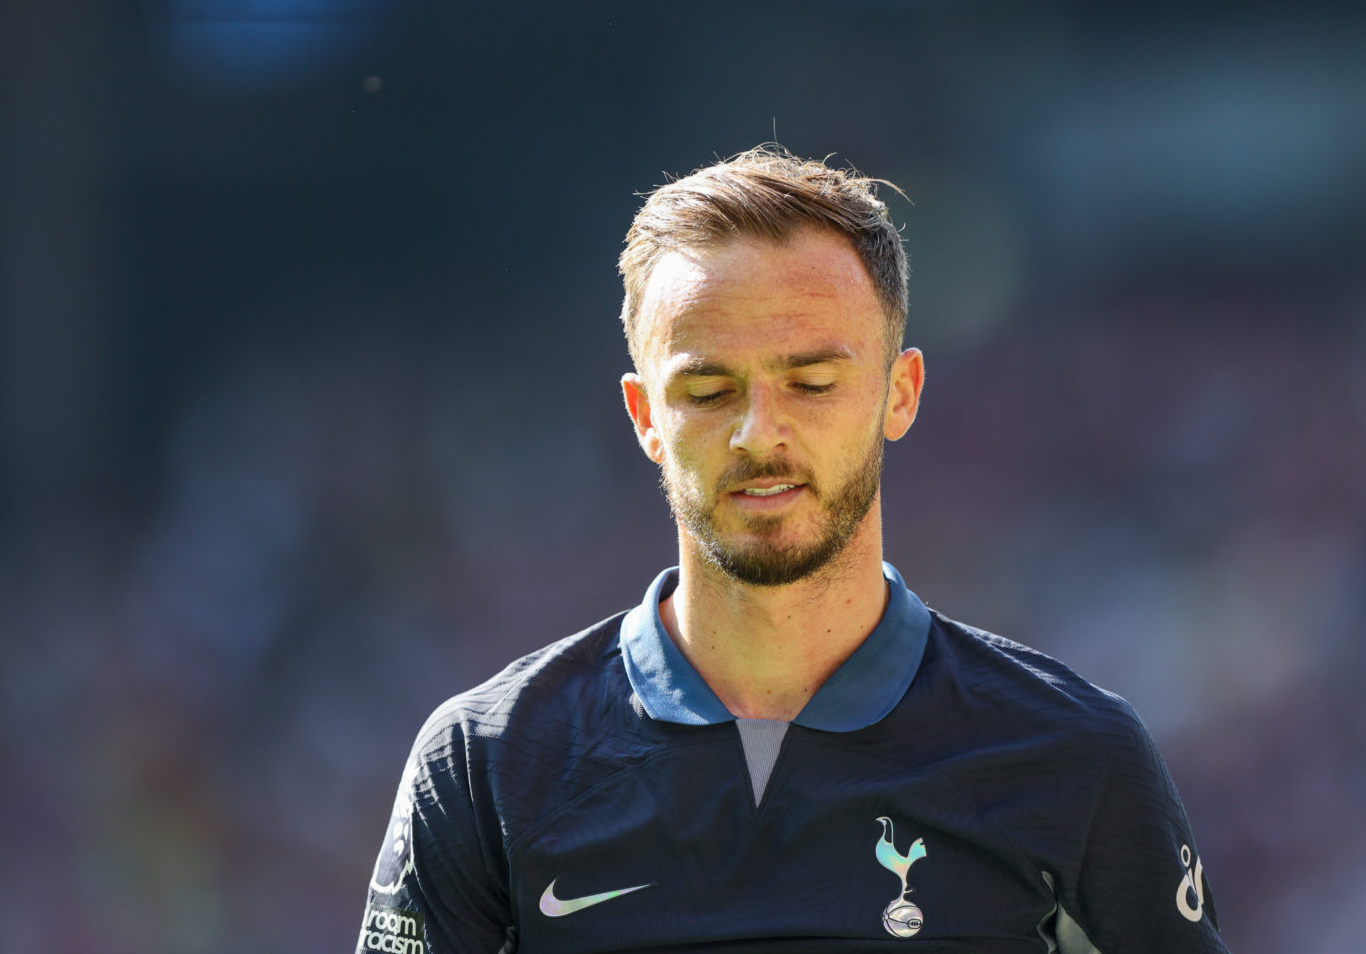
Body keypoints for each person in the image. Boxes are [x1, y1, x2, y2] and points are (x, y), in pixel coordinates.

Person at [355, 146, 1230, 953]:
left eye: (811, 382)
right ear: (644, 416)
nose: (757, 432)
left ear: (900, 392)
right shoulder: (487, 762)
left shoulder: (1074, 753)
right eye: (706, 389)